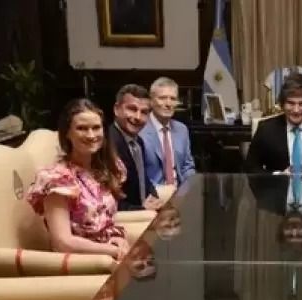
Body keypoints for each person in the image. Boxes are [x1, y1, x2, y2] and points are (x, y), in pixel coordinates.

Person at [26, 98, 130, 262]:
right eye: (82, 128)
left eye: (96, 128)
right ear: (67, 133)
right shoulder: (57, 179)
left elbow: (105, 222)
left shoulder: (106, 169)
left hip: (109, 256)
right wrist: (112, 251)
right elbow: (63, 243)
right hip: (80, 264)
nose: (91, 135)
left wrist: (117, 239)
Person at [108, 84, 162, 211]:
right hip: (125, 216)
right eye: (132, 109)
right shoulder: (107, 144)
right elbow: (107, 198)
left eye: (144, 112)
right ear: (116, 109)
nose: (138, 117)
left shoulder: (138, 142)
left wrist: (155, 199)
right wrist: (141, 209)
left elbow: (143, 179)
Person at [139, 77, 196, 187]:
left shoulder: (182, 129)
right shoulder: (140, 129)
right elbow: (138, 175)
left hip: (180, 192)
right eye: (162, 98)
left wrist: (189, 188)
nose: (168, 103)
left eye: (173, 99)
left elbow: (187, 167)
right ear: (151, 101)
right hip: (152, 193)